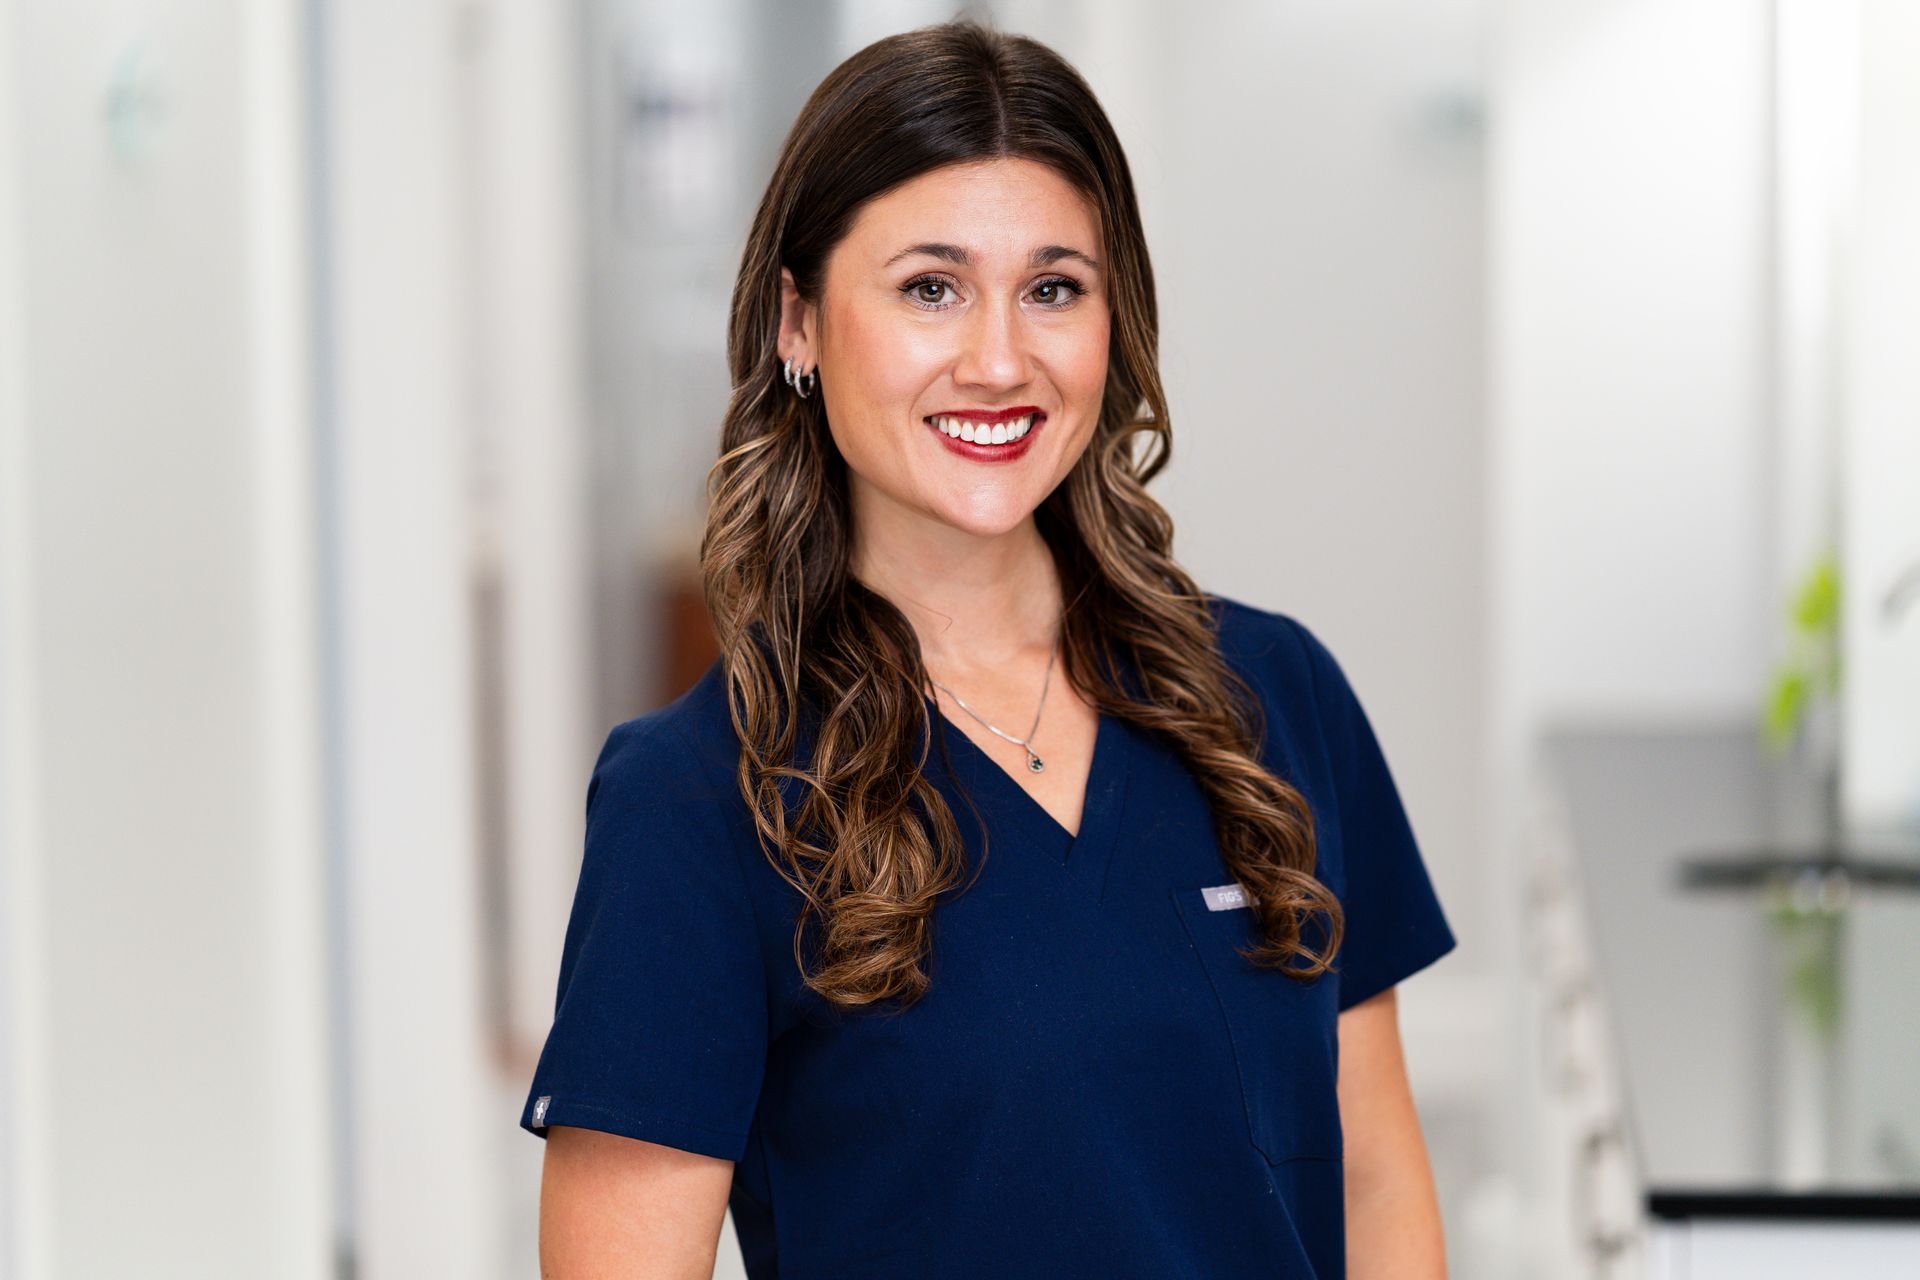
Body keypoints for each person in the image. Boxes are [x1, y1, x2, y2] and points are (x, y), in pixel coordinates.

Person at [523, 17, 1456, 1279]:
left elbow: (1378, 1178)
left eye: (1054, 288)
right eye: (930, 287)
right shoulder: (697, 802)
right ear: (797, 321)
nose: (1000, 359)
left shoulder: (1273, 698)